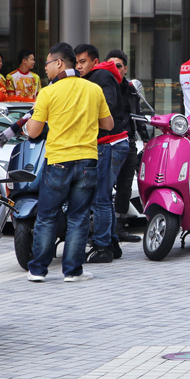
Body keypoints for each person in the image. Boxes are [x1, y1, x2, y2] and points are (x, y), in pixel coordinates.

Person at [24, 43, 113, 282]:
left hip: (58, 162)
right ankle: (73, 271)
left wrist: (27, 124)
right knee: (79, 217)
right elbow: (109, 124)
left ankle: (38, 271)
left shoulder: (48, 92)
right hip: (87, 161)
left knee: (47, 216)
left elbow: (33, 132)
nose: (45, 69)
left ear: (60, 63)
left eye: (48, 64)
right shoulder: (93, 89)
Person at [75, 43, 129, 264]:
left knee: (101, 197)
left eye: (83, 61)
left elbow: (107, 104)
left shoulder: (102, 77)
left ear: (95, 62)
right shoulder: (93, 77)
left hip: (111, 143)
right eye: (77, 62)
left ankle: (103, 246)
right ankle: (112, 242)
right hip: (109, 142)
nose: (79, 66)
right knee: (102, 196)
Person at [106, 48, 145, 246]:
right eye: (111, 65)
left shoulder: (131, 89)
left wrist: (146, 141)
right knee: (102, 187)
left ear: (125, 68)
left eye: (119, 66)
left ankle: (119, 227)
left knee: (125, 187)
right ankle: (101, 229)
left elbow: (139, 116)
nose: (115, 69)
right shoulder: (100, 86)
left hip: (127, 143)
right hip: (105, 144)